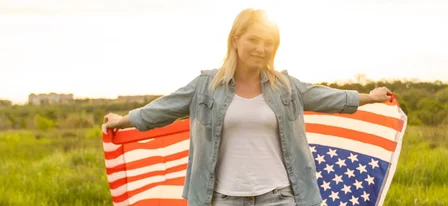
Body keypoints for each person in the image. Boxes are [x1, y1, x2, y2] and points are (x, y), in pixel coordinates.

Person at [103, 8, 393, 206]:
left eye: (268, 42)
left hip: (280, 196)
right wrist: (121, 120)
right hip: (222, 198)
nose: (261, 48)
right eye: (254, 40)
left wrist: (369, 96)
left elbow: (327, 97)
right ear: (235, 40)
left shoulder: (286, 86)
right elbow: (162, 109)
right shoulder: (205, 86)